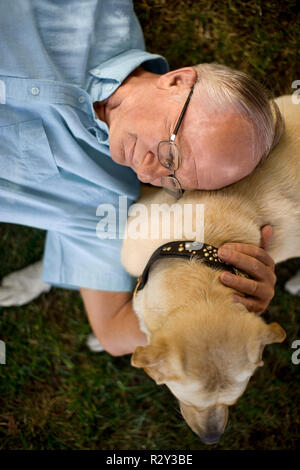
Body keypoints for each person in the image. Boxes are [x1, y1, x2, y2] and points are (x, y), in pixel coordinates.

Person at [0, 0, 281, 356]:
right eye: (170, 153)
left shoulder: (105, 199)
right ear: (178, 81)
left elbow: (114, 333)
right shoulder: (89, 8)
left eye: (171, 179)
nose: (150, 170)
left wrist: (227, 304)